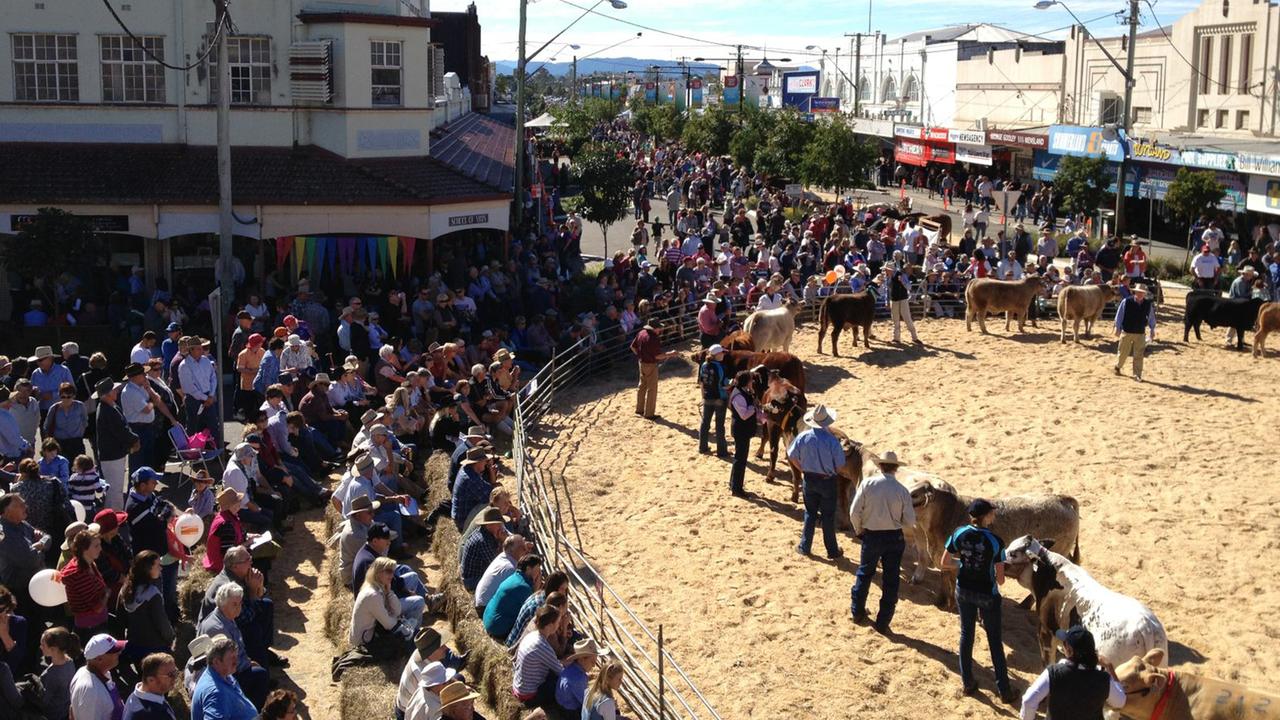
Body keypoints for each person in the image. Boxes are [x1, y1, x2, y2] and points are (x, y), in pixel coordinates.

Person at [940, 498, 1014, 702]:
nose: (994, 515)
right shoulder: (996, 541)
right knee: (994, 641)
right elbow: (1000, 580)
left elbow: (944, 562)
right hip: (987, 595)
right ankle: (1004, 690)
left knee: (966, 635)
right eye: (992, 513)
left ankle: (968, 682)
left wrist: (963, 564)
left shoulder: (959, 533)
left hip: (963, 590)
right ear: (986, 516)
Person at [848, 450, 916, 634]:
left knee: (865, 573)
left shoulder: (868, 484)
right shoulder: (902, 490)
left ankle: (857, 611)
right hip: (894, 537)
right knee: (891, 580)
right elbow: (910, 520)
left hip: (872, 535)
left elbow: (854, 512)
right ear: (895, 468)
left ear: (880, 466)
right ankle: (883, 621)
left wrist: (859, 530)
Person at [1020, 626, 1127, 720]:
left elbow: (1028, 701)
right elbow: (1120, 702)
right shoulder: (1104, 679)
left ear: (1070, 650)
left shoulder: (1053, 673)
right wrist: (1110, 667)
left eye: (1064, 644)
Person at [786, 404, 845, 560]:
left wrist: (802, 468)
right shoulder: (832, 441)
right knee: (828, 516)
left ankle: (805, 547)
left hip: (810, 479)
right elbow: (840, 465)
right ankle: (832, 550)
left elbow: (791, 455)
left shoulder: (803, 437)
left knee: (810, 513)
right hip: (827, 480)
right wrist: (831, 472)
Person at [196, 584, 269, 709]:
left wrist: (248, 662)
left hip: (232, 665)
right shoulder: (218, 629)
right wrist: (248, 664)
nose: (239, 607)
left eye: (240, 603)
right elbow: (228, 663)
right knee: (260, 674)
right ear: (223, 604)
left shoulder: (226, 617)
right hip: (223, 676)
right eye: (234, 604)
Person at [350, 556, 418, 652]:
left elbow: (397, 610)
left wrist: (389, 592)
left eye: (393, 572)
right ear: (378, 573)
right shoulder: (373, 595)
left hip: (372, 631)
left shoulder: (378, 587)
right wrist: (403, 626)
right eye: (389, 572)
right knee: (409, 634)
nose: (392, 575)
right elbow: (389, 624)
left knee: (409, 630)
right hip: (365, 640)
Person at [119, 551, 176, 659]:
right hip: (155, 649)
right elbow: (161, 623)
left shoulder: (125, 590)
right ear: (148, 569)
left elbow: (121, 618)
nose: (161, 568)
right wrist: (171, 638)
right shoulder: (152, 594)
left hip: (134, 645)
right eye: (158, 565)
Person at [94, 377, 137, 511]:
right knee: (115, 489)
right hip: (112, 456)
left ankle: (113, 515)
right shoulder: (107, 410)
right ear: (107, 394)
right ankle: (116, 516)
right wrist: (135, 439)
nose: (116, 391)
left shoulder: (111, 406)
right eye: (114, 390)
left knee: (115, 488)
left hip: (114, 454)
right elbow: (121, 430)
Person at [190, 635, 259, 720]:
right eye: (231, 658)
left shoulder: (224, 675)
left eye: (236, 656)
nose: (236, 661)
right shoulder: (215, 693)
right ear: (216, 661)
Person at [512, 605, 566, 712]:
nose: (559, 624)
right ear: (550, 625)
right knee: (564, 683)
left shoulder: (532, 636)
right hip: (529, 696)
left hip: (519, 687)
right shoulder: (542, 646)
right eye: (558, 622)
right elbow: (561, 671)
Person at [60, 529, 110, 642]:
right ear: (84, 549)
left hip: (95, 623)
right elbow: (97, 608)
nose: (100, 549)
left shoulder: (89, 562)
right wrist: (107, 593)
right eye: (96, 546)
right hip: (91, 628)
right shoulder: (80, 574)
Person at [482, 553, 543, 639]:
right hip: (497, 628)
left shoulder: (515, 577)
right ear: (528, 569)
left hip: (488, 619)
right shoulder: (524, 587)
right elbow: (531, 611)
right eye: (537, 569)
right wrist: (536, 590)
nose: (539, 573)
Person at [69, 633, 127, 720]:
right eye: (114, 651)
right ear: (99, 659)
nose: (119, 652)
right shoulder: (91, 691)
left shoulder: (101, 672)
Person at [474, 533, 527, 615]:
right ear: (511, 550)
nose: (525, 550)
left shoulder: (502, 556)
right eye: (522, 547)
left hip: (481, 602)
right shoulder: (511, 568)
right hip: (486, 608)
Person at [629, 321, 672, 420]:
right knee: (652, 389)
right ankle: (649, 413)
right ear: (654, 328)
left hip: (641, 363)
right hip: (650, 365)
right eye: (659, 328)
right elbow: (658, 356)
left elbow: (632, 347)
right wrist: (671, 354)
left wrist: (640, 356)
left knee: (642, 386)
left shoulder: (641, 333)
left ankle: (639, 409)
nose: (660, 329)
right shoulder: (653, 338)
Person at [727, 370, 760, 498]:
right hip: (741, 430)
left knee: (739, 458)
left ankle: (733, 484)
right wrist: (754, 407)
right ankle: (737, 488)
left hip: (743, 430)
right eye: (751, 380)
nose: (752, 382)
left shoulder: (743, 392)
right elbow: (744, 415)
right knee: (740, 459)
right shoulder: (739, 396)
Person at [1113, 283, 1155, 381]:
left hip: (1140, 332)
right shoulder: (1126, 301)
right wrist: (1117, 328)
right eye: (1138, 292)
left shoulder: (1148, 304)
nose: (1140, 294)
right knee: (1123, 352)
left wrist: (1152, 330)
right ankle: (1118, 366)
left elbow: (1151, 318)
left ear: (1144, 294)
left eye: (1142, 293)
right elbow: (1119, 315)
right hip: (1127, 331)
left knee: (1139, 354)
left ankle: (1137, 374)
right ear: (1135, 292)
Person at [556, 639, 605, 717]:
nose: (594, 666)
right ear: (582, 659)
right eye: (592, 662)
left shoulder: (571, 669)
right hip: (571, 714)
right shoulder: (578, 678)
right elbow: (588, 705)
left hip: (563, 706)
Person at [122, 652, 179, 719]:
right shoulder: (155, 715)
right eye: (170, 675)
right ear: (151, 680)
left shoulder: (135, 695)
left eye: (175, 672)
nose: (175, 677)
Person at [39, 626, 79, 720]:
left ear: (53, 649)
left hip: (53, 715)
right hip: (65, 710)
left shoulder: (51, 674)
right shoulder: (70, 662)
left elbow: (44, 701)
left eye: (43, 645)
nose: (40, 647)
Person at [697, 344, 729, 457]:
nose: (723, 354)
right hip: (720, 398)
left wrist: (703, 396)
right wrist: (732, 383)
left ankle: (702, 447)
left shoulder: (704, 365)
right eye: (722, 353)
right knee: (719, 425)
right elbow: (724, 385)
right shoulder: (720, 367)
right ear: (716, 355)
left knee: (705, 423)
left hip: (707, 397)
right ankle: (722, 451)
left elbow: (701, 382)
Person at [885, 264, 923, 344]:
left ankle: (914, 337)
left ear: (891, 270)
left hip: (903, 299)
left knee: (907, 318)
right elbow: (887, 290)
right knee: (895, 320)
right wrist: (887, 301)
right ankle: (896, 338)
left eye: (886, 270)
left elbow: (909, 287)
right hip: (894, 300)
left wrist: (902, 282)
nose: (885, 271)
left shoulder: (902, 275)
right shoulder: (888, 277)